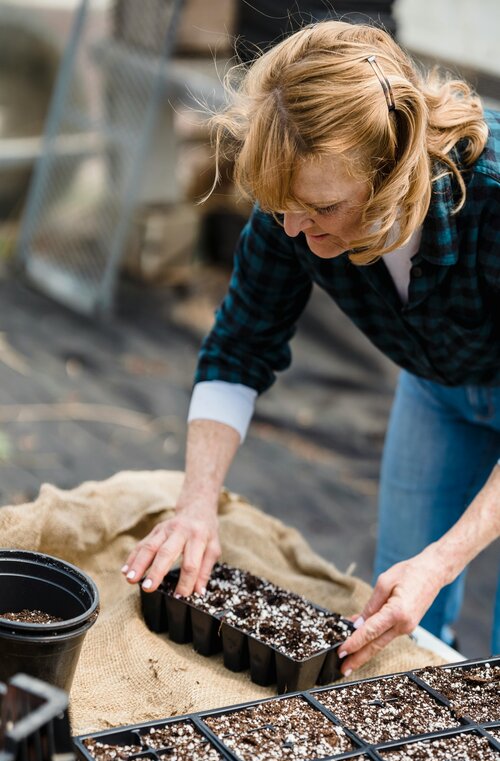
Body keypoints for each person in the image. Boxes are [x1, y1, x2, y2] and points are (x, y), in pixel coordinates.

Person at [123, 20, 500, 675]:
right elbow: (240, 345)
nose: (294, 228)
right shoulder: (293, 203)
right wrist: (196, 504)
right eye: (281, 207)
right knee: (397, 609)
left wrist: (444, 559)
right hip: (438, 389)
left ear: (390, 172)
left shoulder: (493, 196)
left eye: (322, 209)